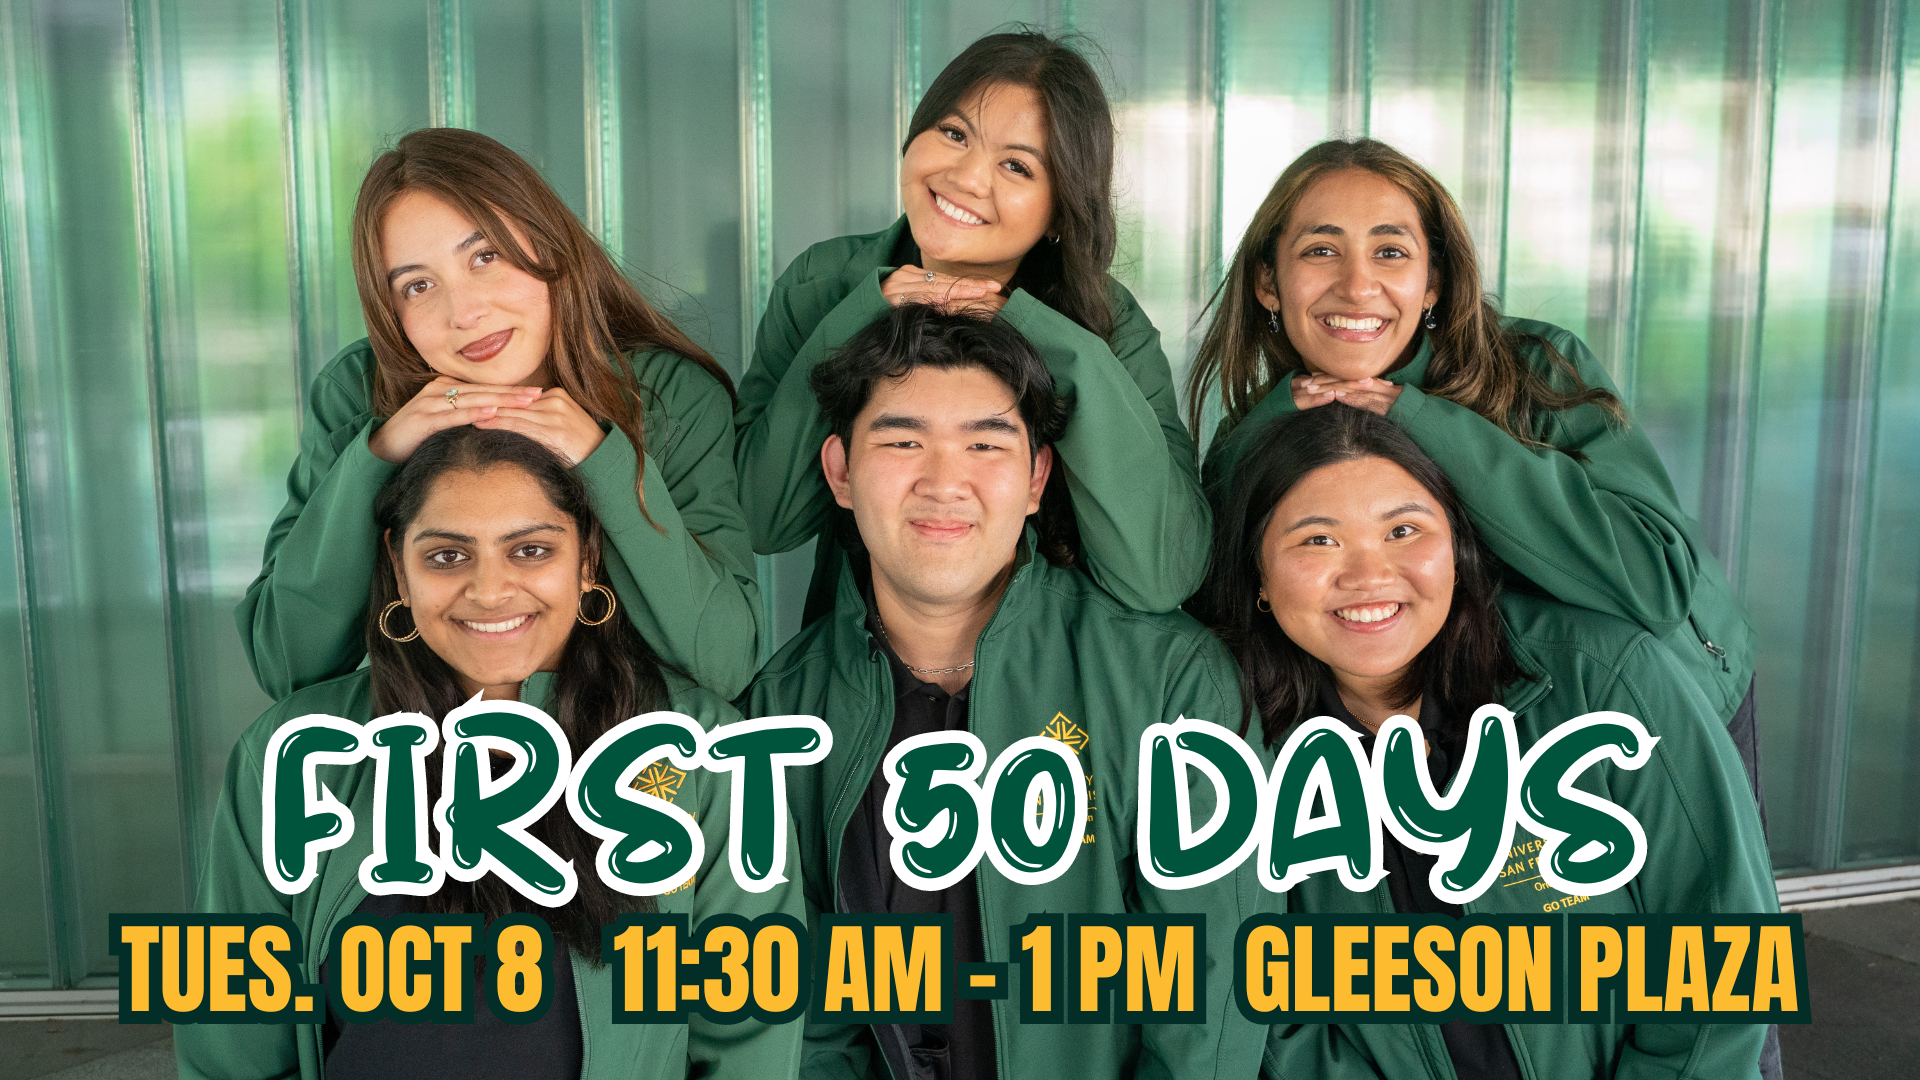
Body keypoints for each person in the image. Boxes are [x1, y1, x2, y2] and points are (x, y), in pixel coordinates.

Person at [742, 305, 1268, 1079]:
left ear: (1036, 479)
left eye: (985, 443)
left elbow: (1213, 993)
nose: (943, 480)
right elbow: (801, 1014)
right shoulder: (783, 710)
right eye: (902, 441)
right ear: (841, 474)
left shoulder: (1165, 681)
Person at [179, 426, 802, 1080]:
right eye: (447, 557)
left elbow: (748, 1038)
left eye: (530, 550)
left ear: (587, 557)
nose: (490, 590)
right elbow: (231, 1038)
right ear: (398, 568)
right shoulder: (291, 755)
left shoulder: (699, 755)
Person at [1189, 404, 1776, 1080]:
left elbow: (1723, 938)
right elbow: (1268, 1009)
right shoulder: (1239, 749)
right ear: (1259, 575)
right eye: (1317, 541)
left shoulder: (1601, 678)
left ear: (1459, 550)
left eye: (1403, 530)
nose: (1367, 575)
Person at [1186, 138, 1761, 807]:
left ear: (1432, 280)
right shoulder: (1259, 428)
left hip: (1660, 709)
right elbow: (1221, 593)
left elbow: (1653, 578)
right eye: (1321, 250)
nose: (1356, 284)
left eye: (1391, 251)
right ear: (1267, 283)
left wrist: (1424, 421)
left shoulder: (1536, 368)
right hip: (1450, 737)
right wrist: (1268, 425)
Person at [238, 127, 760, 700]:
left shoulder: (665, 395)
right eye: (417, 286)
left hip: (622, 758)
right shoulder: (359, 391)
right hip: (426, 760)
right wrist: (378, 455)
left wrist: (602, 460)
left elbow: (725, 664)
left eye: (485, 256)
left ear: (547, 242)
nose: (464, 312)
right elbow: (286, 664)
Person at [735, 30, 1206, 623]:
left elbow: (1162, 574)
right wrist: (858, 315)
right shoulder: (822, 284)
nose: (967, 178)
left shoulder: (1108, 324)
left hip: (1064, 679)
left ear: (1060, 208)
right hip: (867, 662)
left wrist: (1054, 343)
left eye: (1016, 165)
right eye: (954, 134)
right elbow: (761, 518)